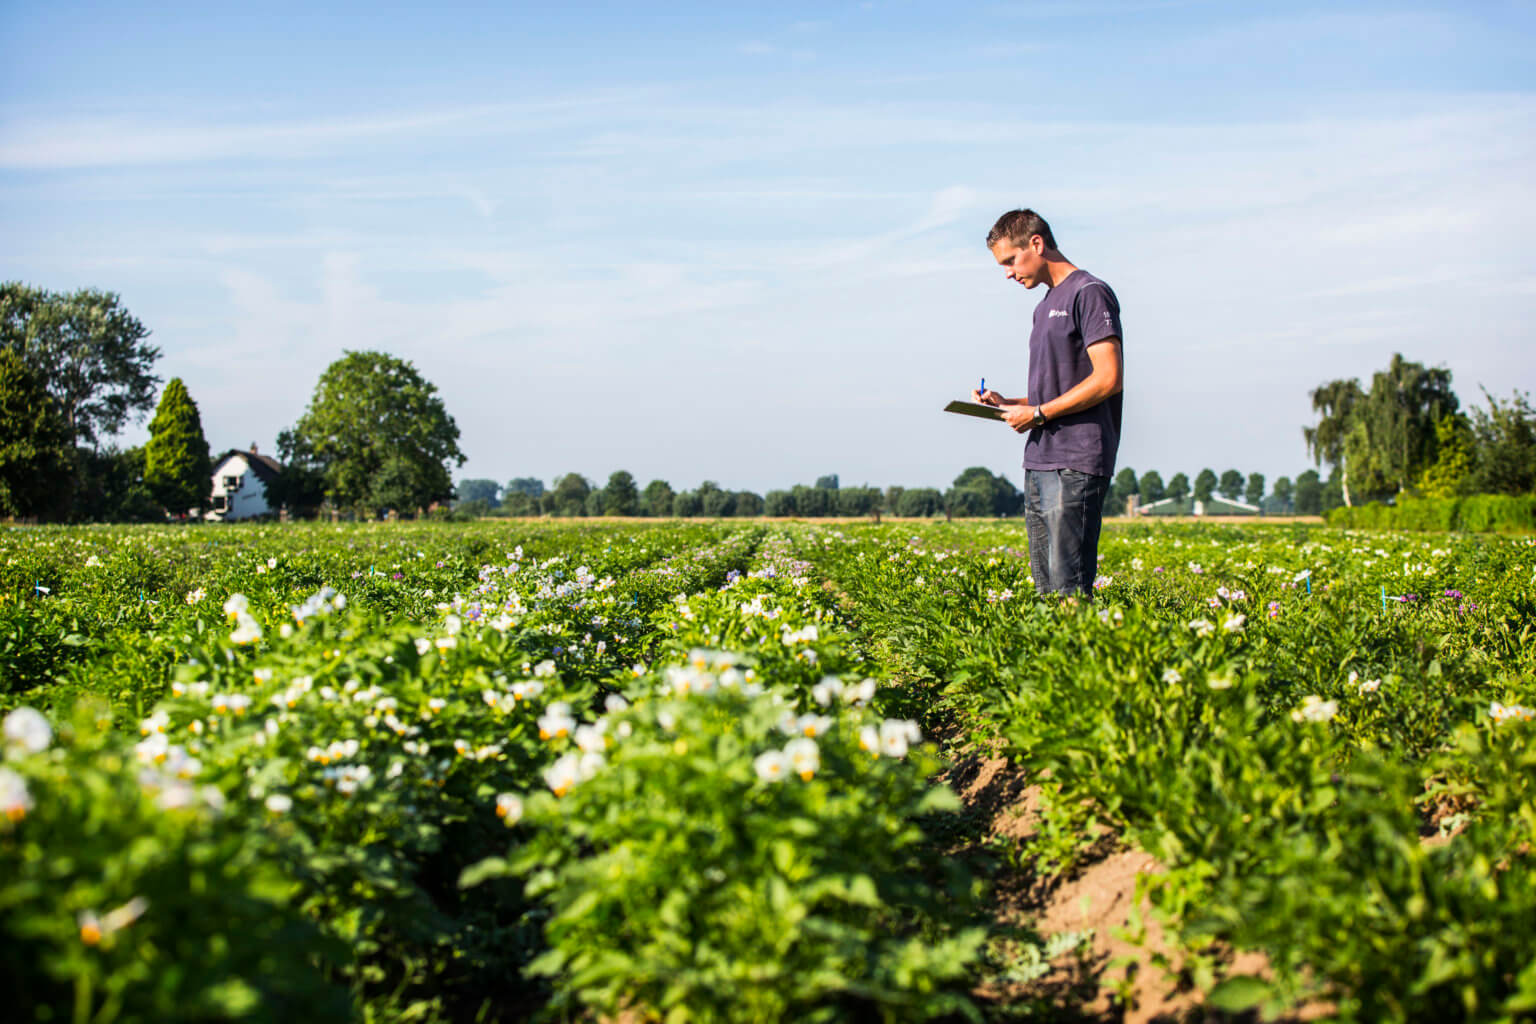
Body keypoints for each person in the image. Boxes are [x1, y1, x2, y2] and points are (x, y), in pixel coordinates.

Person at [972, 209, 1123, 598]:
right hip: (1040, 458)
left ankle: (1076, 657)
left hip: (1077, 459)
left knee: (1068, 589)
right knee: (1046, 590)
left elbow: (1108, 378)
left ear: (1036, 244)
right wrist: (1009, 403)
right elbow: (1055, 389)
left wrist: (1036, 413)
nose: (1008, 272)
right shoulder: (1043, 307)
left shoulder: (1089, 292)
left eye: (1010, 260)